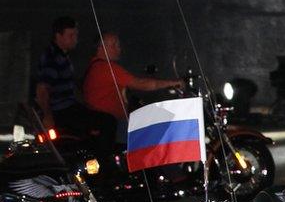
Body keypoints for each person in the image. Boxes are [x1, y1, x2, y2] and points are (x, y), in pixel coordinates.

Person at [35, 16, 115, 153]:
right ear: (58, 36)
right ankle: (103, 158)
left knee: (96, 122)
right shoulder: (52, 58)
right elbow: (43, 89)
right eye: (70, 35)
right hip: (60, 111)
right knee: (108, 122)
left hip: (69, 107)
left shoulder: (63, 57)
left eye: (76, 35)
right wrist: (48, 116)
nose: (75, 39)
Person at [82, 32, 183, 122]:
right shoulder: (105, 67)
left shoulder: (95, 66)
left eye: (119, 45)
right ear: (101, 47)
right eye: (114, 45)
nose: (119, 49)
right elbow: (140, 84)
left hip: (108, 122)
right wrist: (172, 83)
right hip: (110, 123)